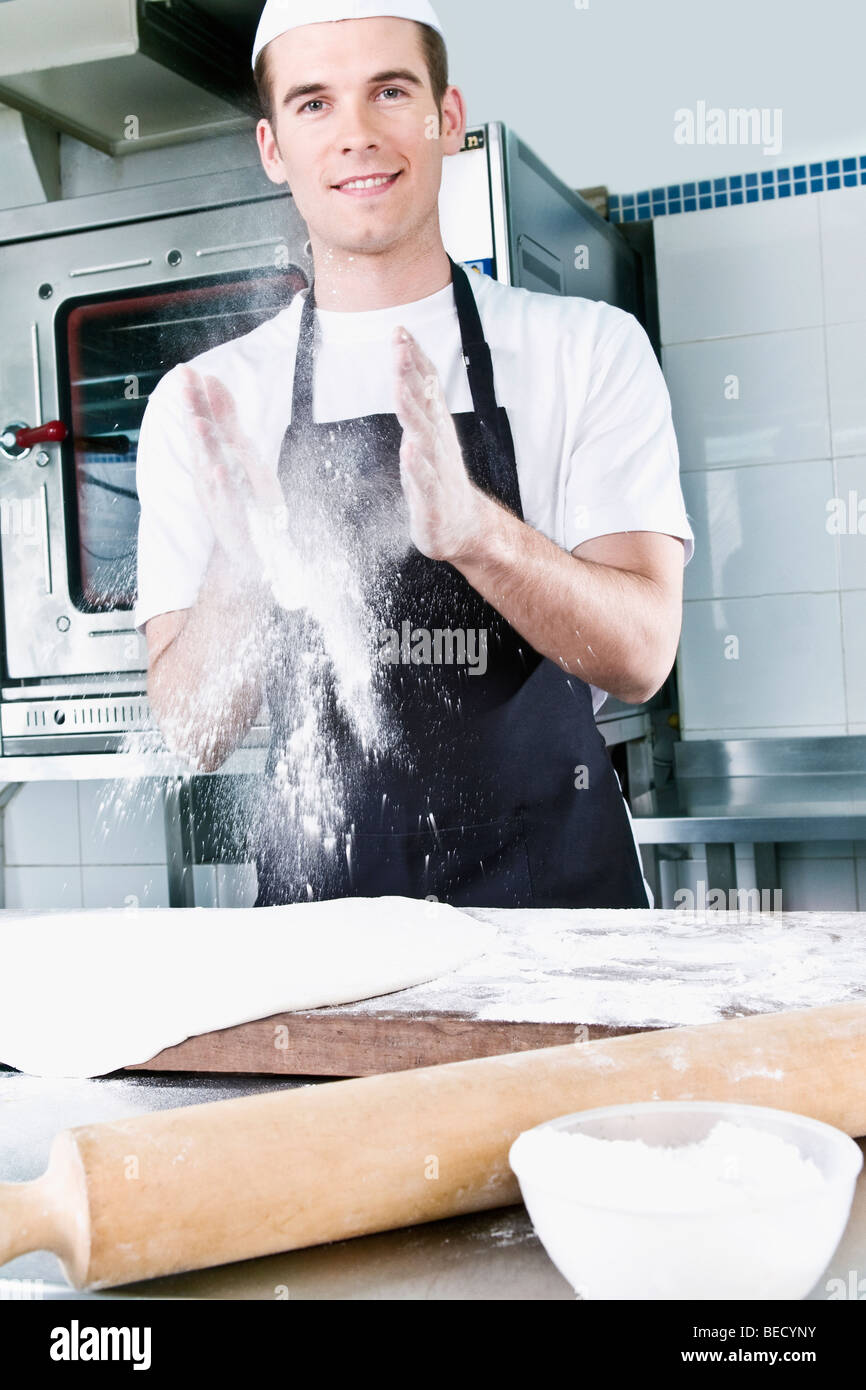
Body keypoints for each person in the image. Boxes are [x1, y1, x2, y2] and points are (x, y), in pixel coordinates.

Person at [136, 0, 695, 910]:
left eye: (388, 91)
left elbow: (640, 656)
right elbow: (192, 736)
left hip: (564, 926)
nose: (356, 134)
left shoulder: (588, 348)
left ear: (446, 118)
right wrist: (244, 566)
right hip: (326, 947)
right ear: (273, 147)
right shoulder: (210, 403)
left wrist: (478, 533)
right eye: (314, 103)